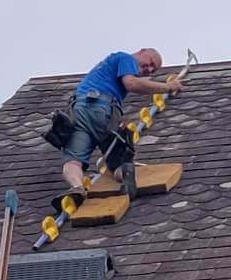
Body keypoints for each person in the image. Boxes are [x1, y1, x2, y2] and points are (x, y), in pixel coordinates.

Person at [59, 47, 181, 195]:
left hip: (78, 112)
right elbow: (132, 84)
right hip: (100, 108)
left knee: (72, 161)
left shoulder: (104, 70)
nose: (149, 69)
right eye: (150, 63)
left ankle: (77, 188)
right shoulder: (125, 58)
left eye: (152, 70)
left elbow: (138, 82)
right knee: (118, 159)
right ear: (142, 52)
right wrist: (168, 87)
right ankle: (125, 174)